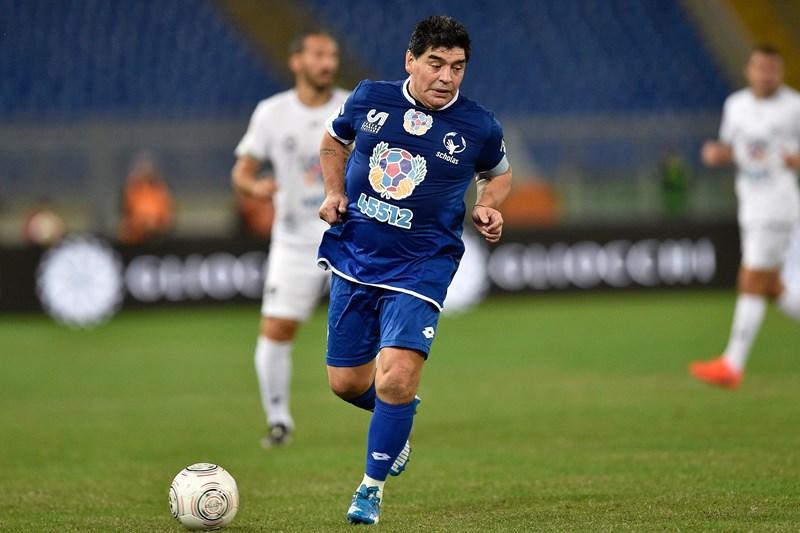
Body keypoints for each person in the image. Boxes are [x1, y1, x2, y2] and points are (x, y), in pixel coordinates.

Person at [317, 16, 512, 524]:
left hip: (422, 264)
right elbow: (333, 141)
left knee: (397, 377)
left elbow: (499, 174)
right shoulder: (369, 98)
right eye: (435, 63)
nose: (446, 76)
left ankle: (370, 490)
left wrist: (488, 204)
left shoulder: (479, 126)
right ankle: (398, 414)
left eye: (457, 67)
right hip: (356, 256)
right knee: (345, 383)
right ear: (411, 60)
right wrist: (334, 192)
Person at [232, 30, 349, 447]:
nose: (327, 63)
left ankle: (387, 415)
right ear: (296, 61)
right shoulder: (271, 113)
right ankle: (279, 420)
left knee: (370, 332)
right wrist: (256, 187)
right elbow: (242, 172)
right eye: (318, 54)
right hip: (295, 240)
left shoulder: (353, 106)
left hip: (349, 235)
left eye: (332, 54)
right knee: (277, 328)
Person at [690, 45, 800, 389]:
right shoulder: (735, 105)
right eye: (760, 68)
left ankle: (732, 364)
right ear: (749, 70)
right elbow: (731, 148)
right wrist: (717, 154)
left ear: (780, 73)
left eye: (772, 69)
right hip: (750, 205)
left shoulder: (794, 107)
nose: (766, 75)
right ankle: (731, 364)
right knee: (772, 287)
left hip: (777, 206)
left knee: (751, 278)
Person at [119, 153, 174, 244]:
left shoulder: (160, 189)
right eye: (142, 167)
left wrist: (155, 225)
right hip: (134, 240)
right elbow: (126, 216)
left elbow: (167, 216)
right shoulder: (131, 188)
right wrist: (141, 225)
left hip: (158, 239)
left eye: (147, 167)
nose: (145, 170)